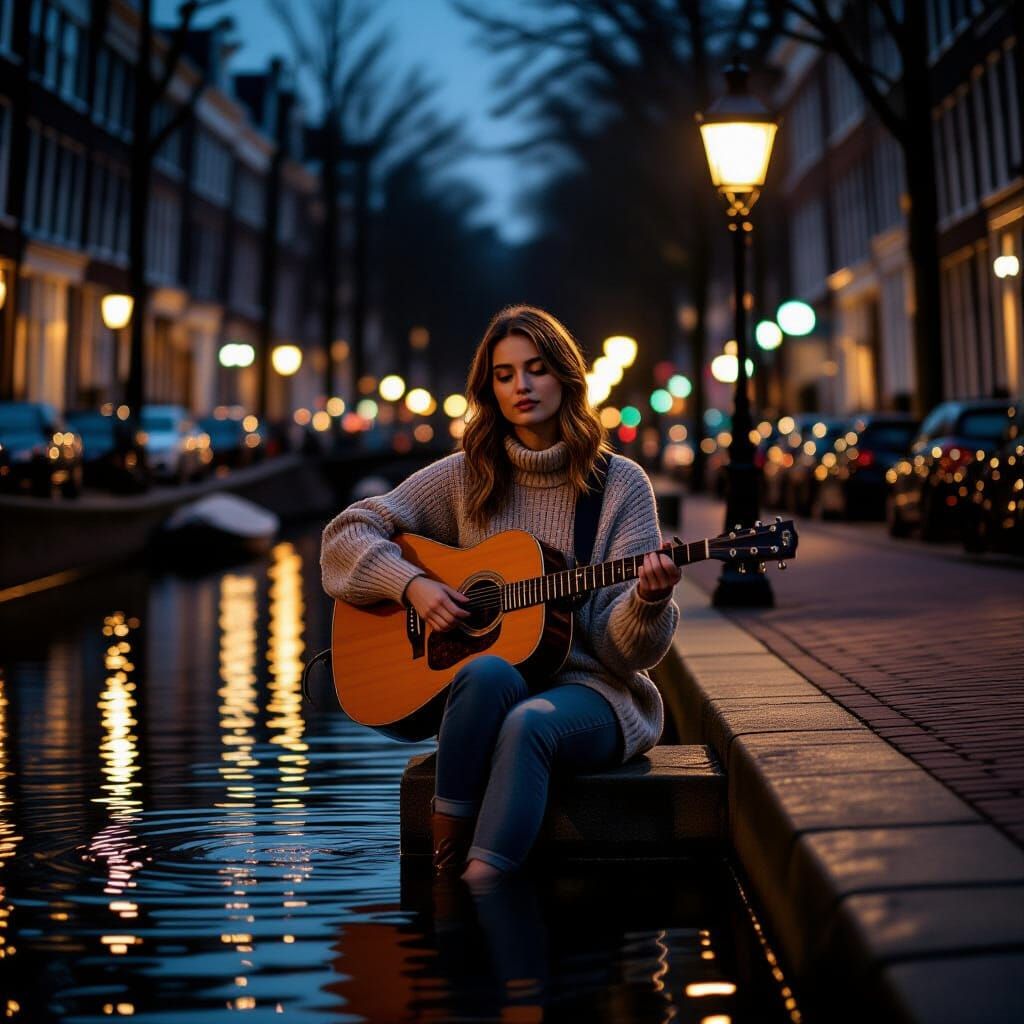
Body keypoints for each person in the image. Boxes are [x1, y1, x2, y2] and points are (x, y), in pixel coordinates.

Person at [320, 305, 681, 887]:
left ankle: (480, 886)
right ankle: (445, 867)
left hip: (596, 693)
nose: (522, 386)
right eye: (505, 374)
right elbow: (343, 535)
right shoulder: (467, 475)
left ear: (565, 376)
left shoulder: (619, 485)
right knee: (486, 674)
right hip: (493, 687)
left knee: (528, 725)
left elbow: (625, 657)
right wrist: (412, 585)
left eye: (536, 369)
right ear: (489, 388)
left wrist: (648, 601)